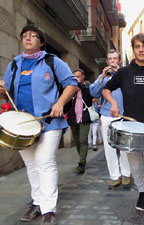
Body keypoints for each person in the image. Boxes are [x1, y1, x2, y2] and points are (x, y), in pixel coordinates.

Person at [0, 25, 77, 225]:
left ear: (41, 42)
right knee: (31, 165)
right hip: (23, 124)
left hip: (49, 121)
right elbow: (5, 90)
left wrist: (60, 103)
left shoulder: (52, 61)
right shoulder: (15, 65)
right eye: (24, 35)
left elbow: (71, 83)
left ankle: (48, 209)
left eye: (33, 36)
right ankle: (37, 202)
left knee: (44, 162)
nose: (28, 38)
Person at [102, 33, 144, 225]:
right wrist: (113, 102)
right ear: (133, 49)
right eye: (138, 46)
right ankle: (142, 190)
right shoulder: (124, 72)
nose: (141, 50)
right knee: (135, 168)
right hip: (130, 129)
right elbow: (106, 88)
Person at [89, 49, 131, 189]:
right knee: (109, 148)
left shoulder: (125, 74)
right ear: (107, 61)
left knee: (124, 147)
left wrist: (119, 73)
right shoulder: (103, 77)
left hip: (123, 115)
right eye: (110, 59)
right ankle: (115, 176)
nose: (113, 61)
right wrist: (101, 77)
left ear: (119, 61)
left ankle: (126, 174)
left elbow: (131, 90)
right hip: (107, 115)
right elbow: (93, 93)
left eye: (115, 59)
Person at [66, 68, 94, 174]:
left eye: (78, 76)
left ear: (83, 77)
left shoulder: (87, 87)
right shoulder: (71, 88)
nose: (76, 79)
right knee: (77, 141)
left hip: (84, 117)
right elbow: (67, 102)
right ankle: (82, 158)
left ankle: (82, 163)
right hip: (73, 117)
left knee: (83, 140)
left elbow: (89, 93)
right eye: (74, 77)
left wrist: (78, 84)